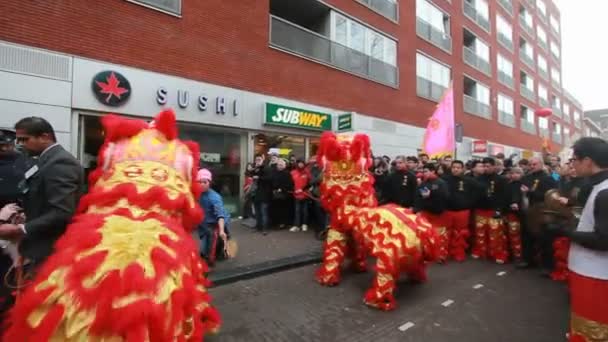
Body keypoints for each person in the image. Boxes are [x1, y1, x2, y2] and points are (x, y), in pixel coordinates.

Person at [0, 117, 83, 270]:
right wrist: (25, 216)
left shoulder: (60, 162)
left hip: (50, 250)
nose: (20, 145)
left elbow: (62, 211)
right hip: (38, 246)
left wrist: (21, 229)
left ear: (45, 137)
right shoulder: (45, 159)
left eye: (24, 139)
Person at [546, 138, 608, 341]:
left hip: (597, 274)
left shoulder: (605, 192)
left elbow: (603, 240)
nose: (571, 164)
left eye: (574, 159)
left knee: (594, 328)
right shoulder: (598, 187)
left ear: (588, 161)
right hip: (591, 272)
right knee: (584, 324)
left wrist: (564, 232)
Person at [519, 157, 558, 272]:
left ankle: (547, 266)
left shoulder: (548, 179)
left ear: (541, 164)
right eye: (530, 164)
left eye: (534, 164)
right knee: (526, 237)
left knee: (544, 239)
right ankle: (527, 260)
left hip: (541, 211)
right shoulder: (526, 178)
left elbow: (550, 196)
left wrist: (530, 192)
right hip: (527, 210)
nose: (532, 166)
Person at [472, 157, 509, 263]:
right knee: (480, 233)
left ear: (494, 166)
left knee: (495, 234)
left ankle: (498, 254)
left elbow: (504, 196)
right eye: (484, 166)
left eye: (488, 166)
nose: (486, 168)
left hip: (494, 210)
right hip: (480, 209)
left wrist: (500, 210)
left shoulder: (501, 179)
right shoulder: (477, 179)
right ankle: (481, 251)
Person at [444, 160, 479, 262]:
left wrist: (469, 203)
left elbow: (478, 192)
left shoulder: (469, 181)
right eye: (454, 167)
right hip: (447, 210)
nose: (455, 169)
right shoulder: (444, 179)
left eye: (458, 167)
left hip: (462, 211)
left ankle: (459, 252)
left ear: (463, 169)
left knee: (460, 233)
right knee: (447, 232)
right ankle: (446, 252)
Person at [415, 163, 449, 263]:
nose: (424, 173)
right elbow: (418, 197)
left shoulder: (441, 183)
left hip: (438, 213)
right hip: (425, 212)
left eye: (426, 171)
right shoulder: (422, 183)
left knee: (440, 235)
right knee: (425, 234)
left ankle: (441, 256)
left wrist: (431, 194)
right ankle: (427, 255)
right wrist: (417, 209)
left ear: (433, 171)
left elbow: (445, 196)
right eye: (423, 172)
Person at [196, 169, 229, 265]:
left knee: (209, 248)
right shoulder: (197, 194)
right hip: (203, 224)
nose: (202, 184)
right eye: (199, 182)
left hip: (214, 224)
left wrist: (222, 230)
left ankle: (214, 259)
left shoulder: (214, 197)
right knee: (204, 249)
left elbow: (220, 215)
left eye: (204, 182)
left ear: (209, 182)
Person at [505, 167, 525, 263]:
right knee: (513, 233)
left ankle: (520, 254)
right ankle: (515, 253)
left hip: (522, 213)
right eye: (513, 173)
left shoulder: (524, 185)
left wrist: (516, 202)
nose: (515, 175)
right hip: (511, 212)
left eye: (517, 173)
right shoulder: (509, 185)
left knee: (520, 234)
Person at [270, 159, 294, 229]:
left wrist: (281, 189)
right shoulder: (274, 172)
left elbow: (290, 184)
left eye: (281, 165)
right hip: (274, 194)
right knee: (275, 209)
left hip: (284, 195)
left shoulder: (287, 173)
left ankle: (282, 223)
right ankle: (275, 223)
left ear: (284, 166)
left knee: (283, 210)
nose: (279, 166)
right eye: (278, 165)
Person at [251, 154, 271, 235]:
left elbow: (269, 179)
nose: (258, 161)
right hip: (256, 194)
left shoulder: (266, 168)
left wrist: (259, 178)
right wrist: (253, 170)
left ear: (262, 160)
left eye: (259, 159)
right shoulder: (255, 168)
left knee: (263, 212)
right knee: (257, 212)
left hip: (264, 194)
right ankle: (258, 227)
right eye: (256, 160)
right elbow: (250, 175)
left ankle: (264, 228)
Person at [290, 158, 310, 232]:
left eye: (302, 163)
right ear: (297, 164)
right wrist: (294, 190)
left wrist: (303, 189)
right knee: (297, 211)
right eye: (299, 163)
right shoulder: (293, 172)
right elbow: (291, 183)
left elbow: (309, 183)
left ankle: (304, 224)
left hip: (305, 195)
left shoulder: (307, 172)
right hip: (296, 195)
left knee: (305, 211)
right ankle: (297, 225)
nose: (300, 164)